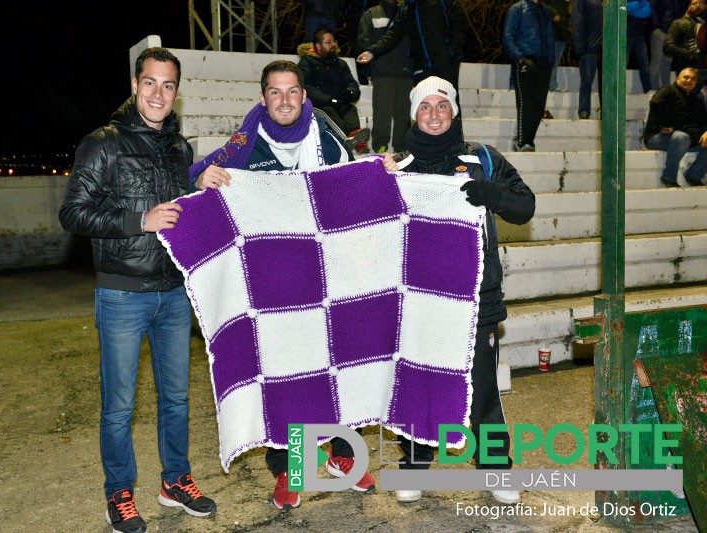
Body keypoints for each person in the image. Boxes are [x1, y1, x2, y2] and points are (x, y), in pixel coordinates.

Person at [189, 60, 376, 510]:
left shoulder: (327, 139)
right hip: (272, 284)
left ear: (304, 96)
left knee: (337, 371)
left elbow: (353, 187)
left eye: (293, 91)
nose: (285, 100)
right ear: (263, 98)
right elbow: (201, 173)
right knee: (283, 377)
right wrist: (199, 177)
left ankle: (342, 457)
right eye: (276, 92)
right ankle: (290, 468)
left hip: (328, 279)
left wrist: (380, 172)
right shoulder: (244, 144)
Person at [58, 47, 217, 533]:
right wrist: (138, 221)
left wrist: (197, 180)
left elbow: (178, 203)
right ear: (134, 85)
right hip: (122, 294)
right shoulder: (101, 144)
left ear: (176, 92)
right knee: (120, 406)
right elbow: (72, 214)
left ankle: (175, 480)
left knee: (176, 399)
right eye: (150, 83)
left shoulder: (178, 148)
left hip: (172, 292)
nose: (158, 94)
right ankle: (119, 494)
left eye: (168, 85)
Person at [391, 76, 535, 505]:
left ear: (454, 112)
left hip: (477, 297)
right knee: (419, 384)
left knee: (482, 386)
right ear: (414, 114)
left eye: (442, 106)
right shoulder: (397, 165)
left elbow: (524, 204)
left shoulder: (483, 159)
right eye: (425, 107)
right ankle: (414, 466)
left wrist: (492, 193)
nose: (434, 114)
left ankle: (496, 468)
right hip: (420, 299)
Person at [355, 0, 470, 89]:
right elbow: (393, 35)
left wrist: (451, 52)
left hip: (446, 62)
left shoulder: (443, 2)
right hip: (422, 65)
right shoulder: (406, 8)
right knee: (423, 101)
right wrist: (372, 52)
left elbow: (460, 24)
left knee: (449, 102)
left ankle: (455, 120)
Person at [298, 28, 372, 153]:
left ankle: (356, 139)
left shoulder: (340, 64)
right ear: (318, 45)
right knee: (327, 111)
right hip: (320, 105)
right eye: (329, 42)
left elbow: (352, 84)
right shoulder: (307, 62)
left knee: (350, 109)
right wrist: (329, 100)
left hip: (339, 103)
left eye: (334, 42)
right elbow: (305, 87)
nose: (333, 45)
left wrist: (350, 93)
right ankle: (345, 139)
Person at [358, 0, 413, 153]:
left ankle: (401, 147)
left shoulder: (407, 12)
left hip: (406, 71)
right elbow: (364, 41)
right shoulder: (372, 13)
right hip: (382, 73)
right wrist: (372, 67)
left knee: (404, 112)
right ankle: (380, 145)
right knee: (382, 112)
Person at [502, 0, 556, 152]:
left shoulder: (545, 10)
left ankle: (529, 141)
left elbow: (550, 38)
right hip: (525, 60)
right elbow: (508, 36)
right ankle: (521, 142)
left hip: (543, 62)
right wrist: (519, 58)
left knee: (539, 105)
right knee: (526, 103)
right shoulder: (517, 9)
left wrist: (550, 61)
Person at [643, 67, 707, 186]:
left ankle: (694, 175)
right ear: (678, 78)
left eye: (692, 79)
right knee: (682, 137)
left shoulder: (696, 99)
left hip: (688, 140)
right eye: (685, 77)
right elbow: (656, 104)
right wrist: (666, 124)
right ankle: (669, 177)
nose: (688, 80)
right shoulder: (667, 91)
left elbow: (703, 121)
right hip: (658, 137)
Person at [664, 0, 707, 91]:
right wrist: (690, 55)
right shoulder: (678, 23)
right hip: (687, 68)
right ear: (688, 6)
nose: (698, 6)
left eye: (702, 3)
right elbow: (668, 46)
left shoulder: (704, 25)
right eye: (695, 3)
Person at [571, 0, 603, 119]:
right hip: (590, 46)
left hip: (608, 47)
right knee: (587, 80)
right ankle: (584, 110)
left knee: (606, 83)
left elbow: (622, 13)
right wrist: (579, 46)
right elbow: (577, 20)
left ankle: (606, 111)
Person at [649, 0, 687, 89]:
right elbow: (653, 8)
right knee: (657, 60)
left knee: (667, 62)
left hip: (672, 33)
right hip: (660, 31)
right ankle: (654, 88)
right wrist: (658, 25)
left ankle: (666, 88)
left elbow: (679, 14)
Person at [627, 0, 654, 93]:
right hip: (624, 35)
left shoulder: (641, 1)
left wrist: (631, 9)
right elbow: (621, 8)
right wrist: (634, 7)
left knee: (644, 64)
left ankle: (647, 88)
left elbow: (647, 12)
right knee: (622, 64)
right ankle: (619, 88)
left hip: (639, 35)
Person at [547, 0, 573, 92]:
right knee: (552, 62)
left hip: (562, 38)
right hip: (554, 37)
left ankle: (551, 85)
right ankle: (551, 86)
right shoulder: (556, 3)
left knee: (555, 62)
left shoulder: (569, 4)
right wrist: (555, 14)